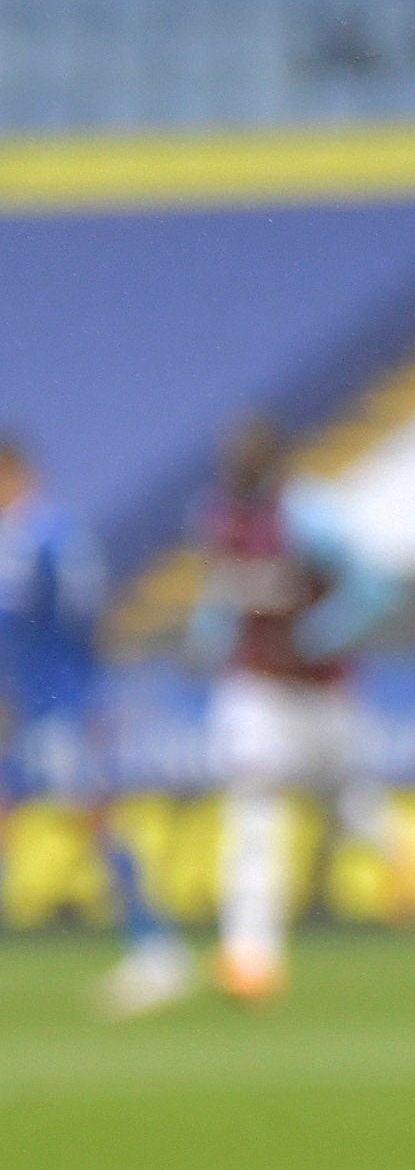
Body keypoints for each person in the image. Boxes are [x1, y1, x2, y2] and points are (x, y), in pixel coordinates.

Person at [187, 416, 395, 1004]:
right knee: (254, 813)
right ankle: (251, 959)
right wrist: (206, 639)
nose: (237, 471)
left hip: (322, 695)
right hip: (255, 690)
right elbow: (224, 591)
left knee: (348, 804)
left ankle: (401, 862)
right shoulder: (216, 515)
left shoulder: (309, 516)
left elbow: (378, 589)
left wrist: (319, 636)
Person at [2, 434, 194, 1016]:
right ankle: (154, 947)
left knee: (97, 816)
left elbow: (86, 620)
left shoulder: (53, 537)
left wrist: (80, 698)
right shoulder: (17, 540)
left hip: (61, 704)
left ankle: (156, 949)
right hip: (19, 707)